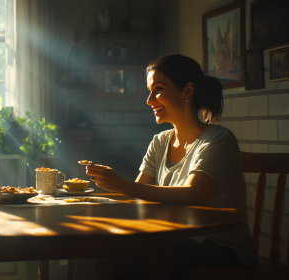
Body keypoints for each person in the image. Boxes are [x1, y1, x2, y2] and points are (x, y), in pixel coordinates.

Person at [86, 54, 257, 272]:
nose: (149, 100)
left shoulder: (219, 139)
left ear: (187, 91)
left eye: (158, 89)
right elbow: (139, 196)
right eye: (150, 91)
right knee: (122, 249)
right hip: (176, 238)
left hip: (221, 247)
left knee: (147, 255)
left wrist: (120, 184)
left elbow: (195, 194)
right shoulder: (160, 141)